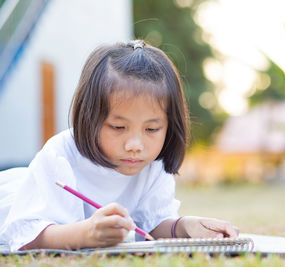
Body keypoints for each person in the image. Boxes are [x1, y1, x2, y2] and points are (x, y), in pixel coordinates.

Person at [0, 40, 238, 251]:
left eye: (152, 129)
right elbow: (26, 236)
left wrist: (186, 227)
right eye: (117, 127)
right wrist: (87, 233)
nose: (135, 145)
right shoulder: (60, 156)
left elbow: (150, 226)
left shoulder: (152, 164)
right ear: (89, 116)